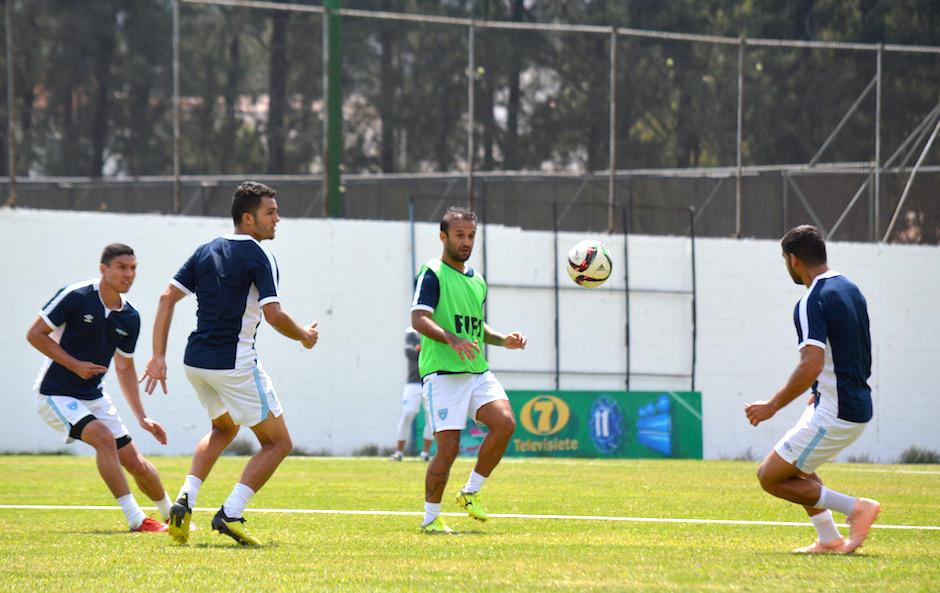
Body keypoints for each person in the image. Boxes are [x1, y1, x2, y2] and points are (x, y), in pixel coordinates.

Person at [140, 181, 319, 546]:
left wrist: (158, 356)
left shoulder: (205, 250)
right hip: (234, 365)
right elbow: (274, 314)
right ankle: (231, 513)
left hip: (196, 363)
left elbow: (165, 296)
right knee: (278, 444)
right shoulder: (258, 255)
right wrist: (303, 335)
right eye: (271, 212)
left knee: (223, 429)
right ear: (248, 218)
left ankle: (185, 499)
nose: (277, 219)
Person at [745, 224, 880, 554]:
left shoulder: (811, 300)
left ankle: (856, 509)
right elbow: (854, 350)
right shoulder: (850, 288)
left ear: (793, 260)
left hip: (837, 412)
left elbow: (811, 364)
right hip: (845, 402)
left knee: (770, 476)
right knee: (799, 469)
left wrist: (772, 406)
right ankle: (829, 539)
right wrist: (819, 392)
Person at [27, 243, 171, 533]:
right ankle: (136, 520)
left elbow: (125, 368)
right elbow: (35, 335)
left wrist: (142, 417)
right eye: (121, 267)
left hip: (93, 396)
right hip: (54, 393)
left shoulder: (130, 317)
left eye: (133, 268)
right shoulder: (76, 296)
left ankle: (173, 516)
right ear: (103, 269)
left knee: (135, 461)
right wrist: (75, 365)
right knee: (104, 439)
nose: (129, 274)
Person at [410, 206, 527, 534]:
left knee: (505, 424)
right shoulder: (432, 272)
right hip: (443, 374)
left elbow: (476, 326)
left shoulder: (477, 281)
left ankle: (470, 491)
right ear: (443, 236)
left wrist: (503, 339)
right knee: (447, 450)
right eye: (459, 235)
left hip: (477, 372)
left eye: (471, 236)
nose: (466, 242)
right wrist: (451, 339)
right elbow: (419, 318)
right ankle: (430, 519)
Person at [389, 327, 433, 462]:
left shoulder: (434, 330)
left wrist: (422, 349)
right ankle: (399, 452)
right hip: (413, 381)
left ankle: (425, 453)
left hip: (430, 380)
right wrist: (427, 349)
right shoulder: (411, 333)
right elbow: (411, 354)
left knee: (430, 417)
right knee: (408, 413)